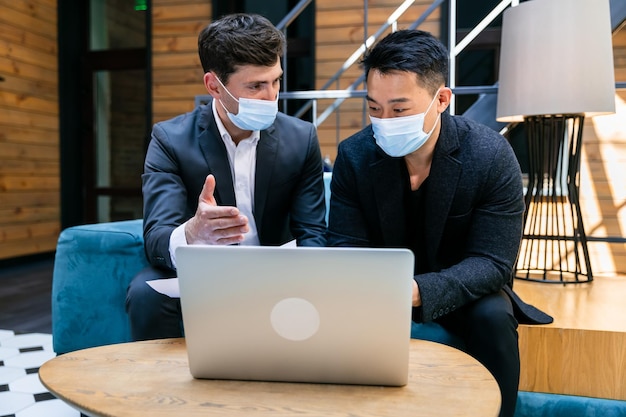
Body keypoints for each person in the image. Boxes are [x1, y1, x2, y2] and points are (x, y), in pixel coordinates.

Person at [326, 29, 552, 417]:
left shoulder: (490, 154)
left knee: (494, 317)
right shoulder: (355, 155)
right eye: (374, 108)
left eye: (399, 110)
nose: (384, 122)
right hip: (379, 290)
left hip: (463, 288)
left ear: (441, 99)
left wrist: (416, 290)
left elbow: (493, 263)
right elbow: (345, 245)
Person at [126, 13, 327, 341]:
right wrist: (193, 232)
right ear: (214, 86)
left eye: (276, 80)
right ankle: (161, 391)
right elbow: (157, 237)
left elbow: (313, 232)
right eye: (256, 86)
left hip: (280, 272)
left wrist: (304, 275)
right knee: (145, 293)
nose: (271, 95)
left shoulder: (301, 138)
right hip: (207, 272)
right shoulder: (170, 140)